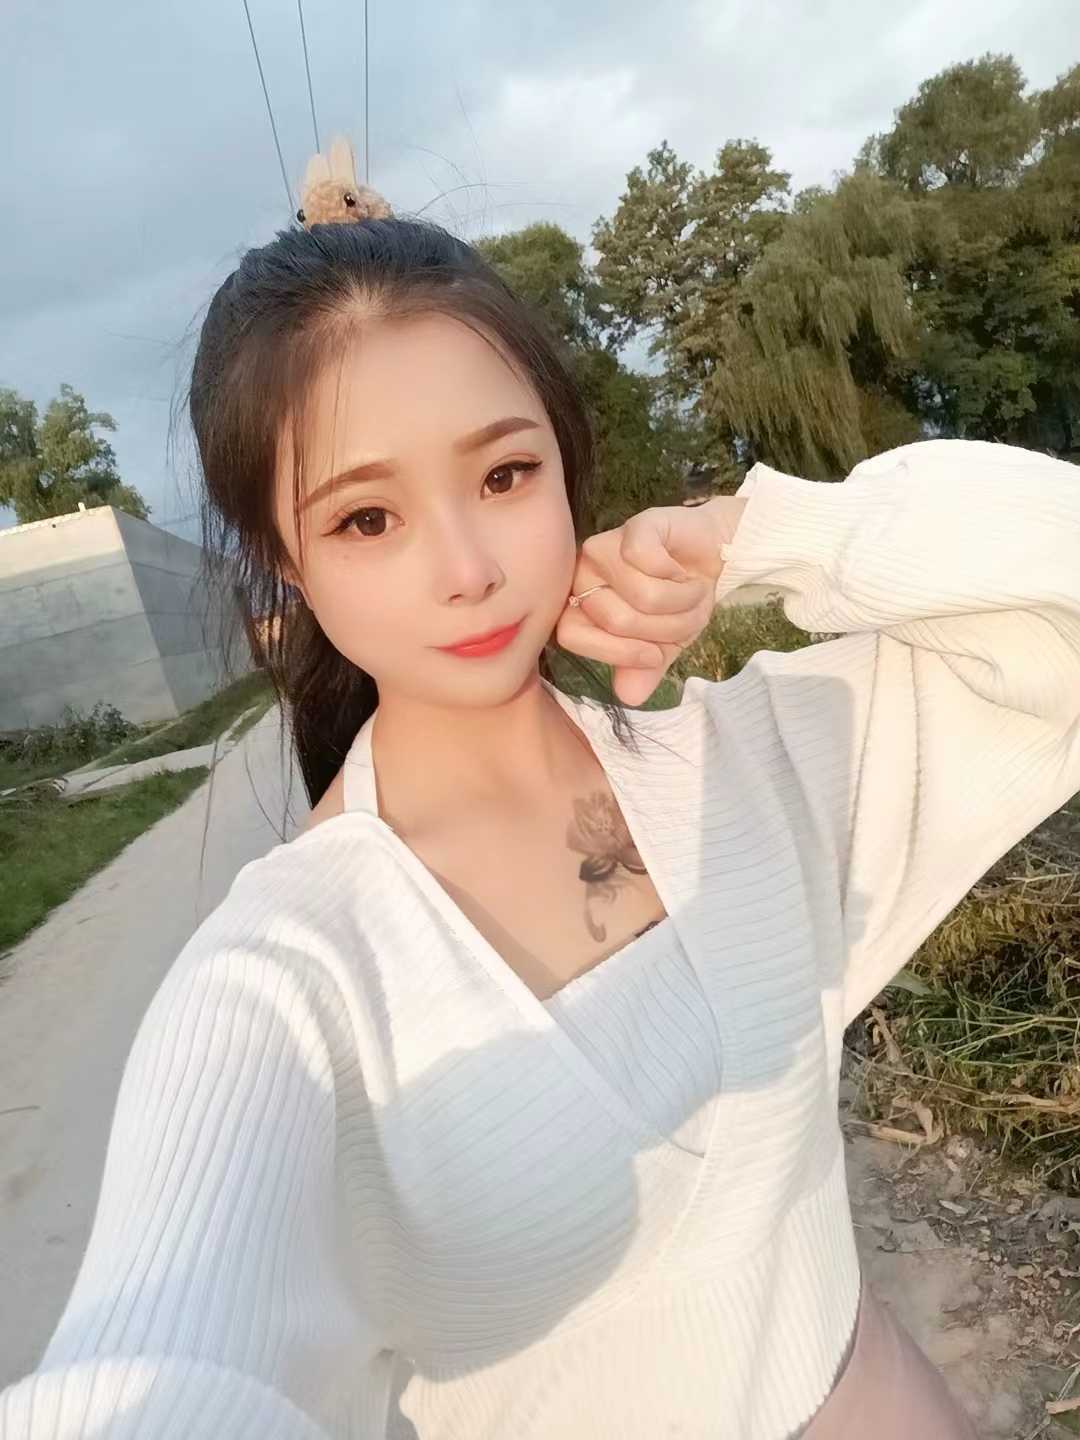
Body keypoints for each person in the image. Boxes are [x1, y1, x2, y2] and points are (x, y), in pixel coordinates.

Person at [2, 200, 1078, 1440]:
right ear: (284, 558)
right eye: (367, 518)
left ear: (566, 466)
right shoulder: (283, 986)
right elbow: (158, 1373)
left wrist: (759, 535)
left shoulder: (755, 765)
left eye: (505, 474)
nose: (468, 566)